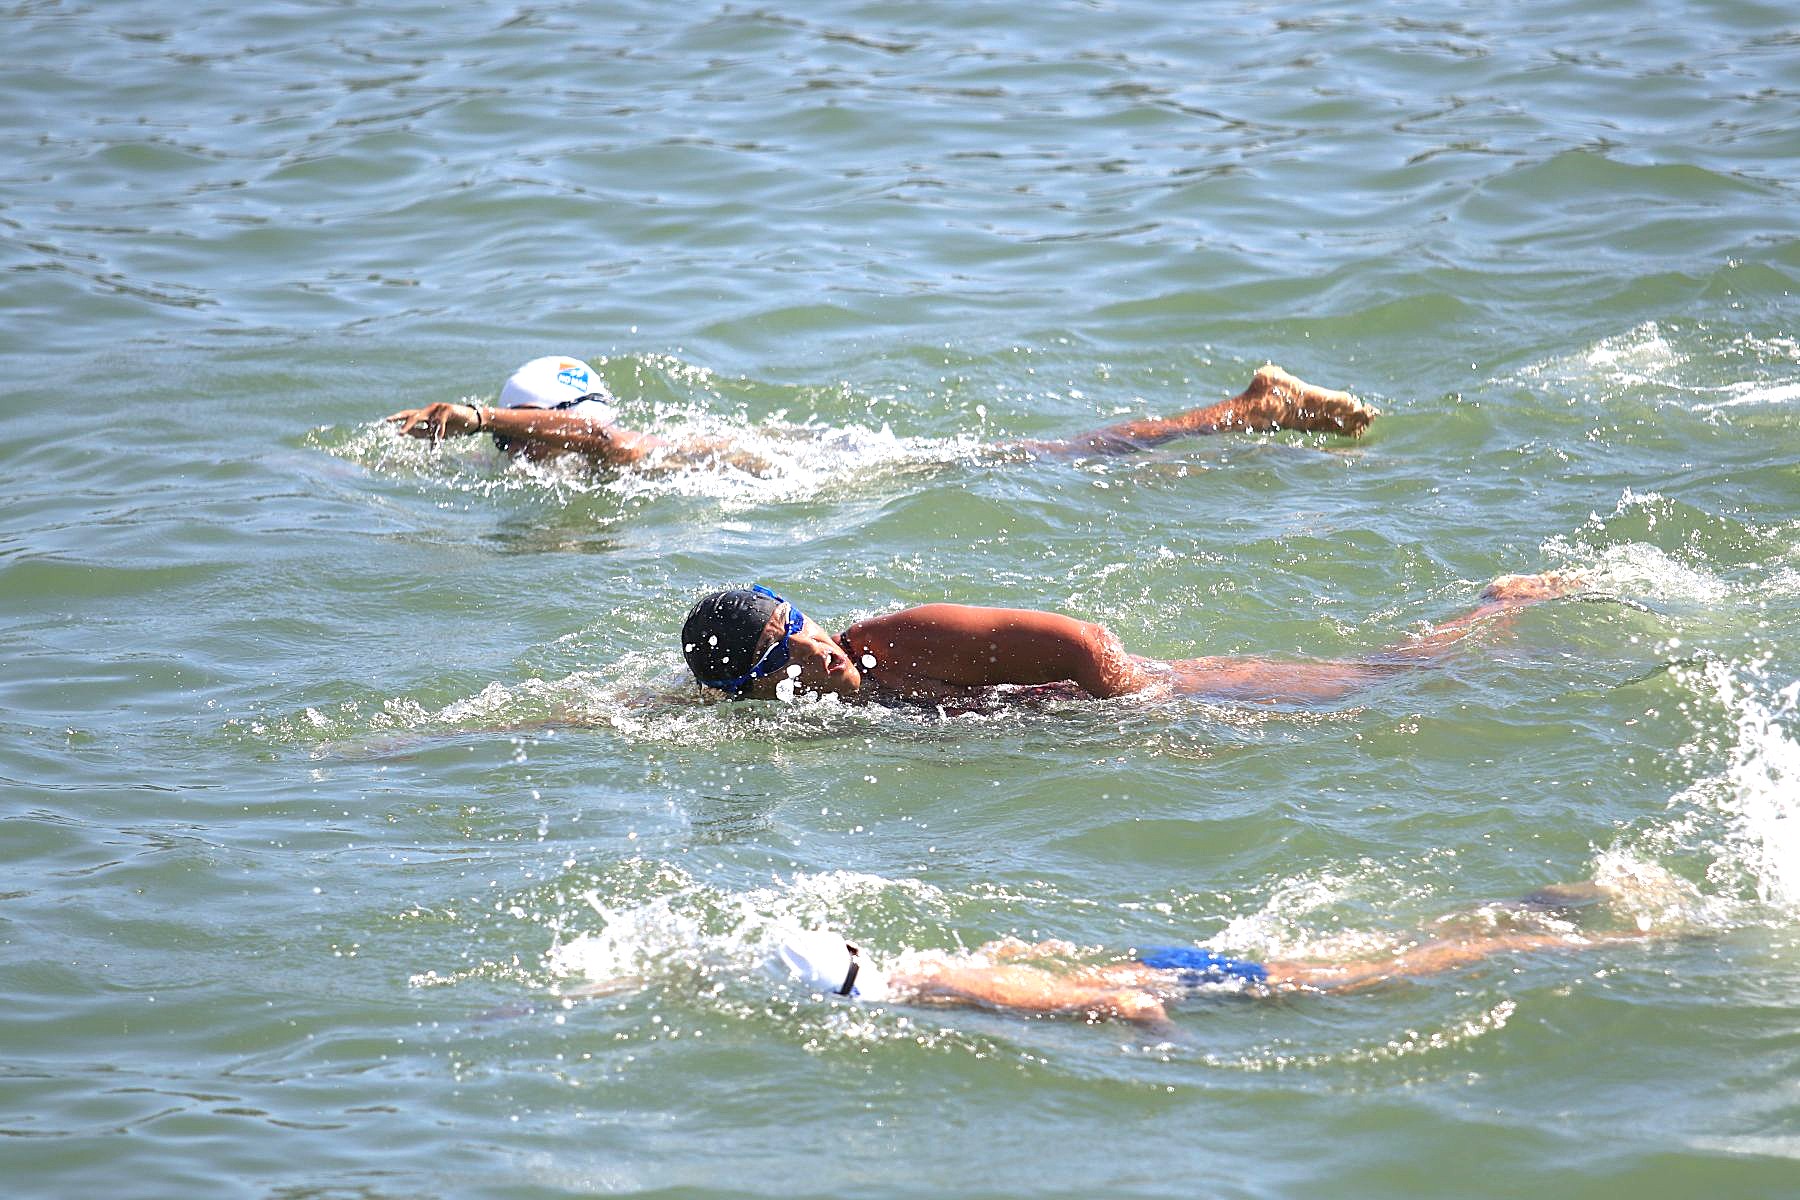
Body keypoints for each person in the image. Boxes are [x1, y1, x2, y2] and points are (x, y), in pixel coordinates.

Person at [767, 882, 1649, 1030]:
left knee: (1393, 970)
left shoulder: (943, 994)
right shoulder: (921, 967)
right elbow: (1019, 950)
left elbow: (1121, 1008)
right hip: (1151, 957)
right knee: (1375, 949)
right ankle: (1546, 907)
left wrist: (1169, 1056)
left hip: (1173, 982)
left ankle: (1613, 936)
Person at [678, 572, 1588, 708]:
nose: (814, 654)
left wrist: (1128, 715)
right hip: (1076, 717)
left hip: (1144, 696)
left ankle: (1499, 610)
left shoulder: (897, 643)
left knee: (1373, 683)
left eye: (799, 627)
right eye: (782, 659)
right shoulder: (790, 710)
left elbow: (1080, 640)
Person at [383, 355, 1377, 469]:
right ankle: (1249, 415)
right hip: (827, 456)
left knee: (1068, 456)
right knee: (1061, 454)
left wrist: (478, 420)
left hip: (844, 471)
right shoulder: (644, 433)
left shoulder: (614, 448)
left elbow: (599, 437)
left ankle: (1254, 412)